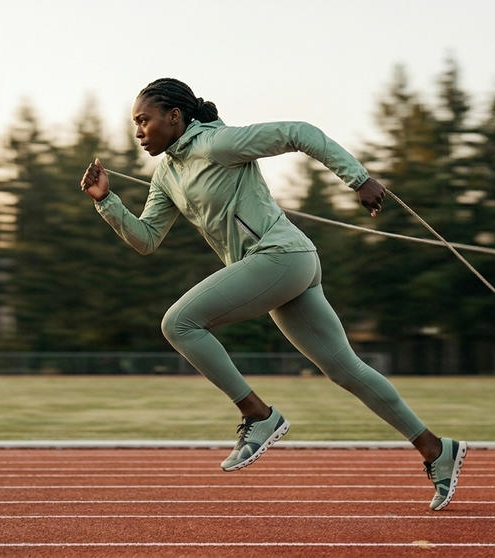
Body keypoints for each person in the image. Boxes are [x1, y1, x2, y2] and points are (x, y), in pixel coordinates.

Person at [80, 78, 467, 511]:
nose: (137, 132)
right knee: (346, 371)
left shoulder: (217, 144)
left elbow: (298, 131)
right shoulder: (167, 175)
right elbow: (147, 239)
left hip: (281, 255)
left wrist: (358, 178)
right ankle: (437, 450)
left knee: (179, 323)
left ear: (174, 117)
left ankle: (258, 415)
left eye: (143, 120)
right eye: (135, 123)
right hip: (281, 269)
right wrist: (107, 201)